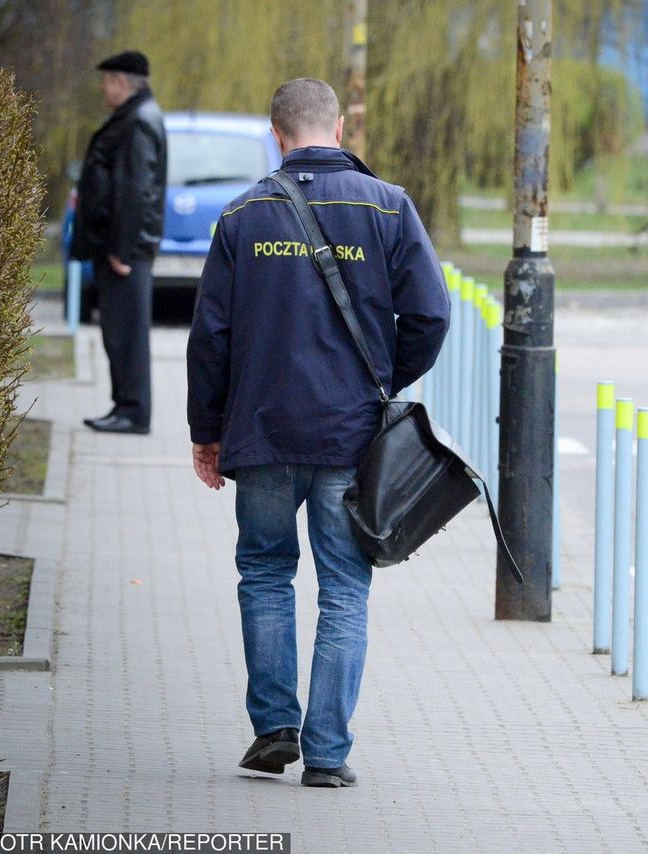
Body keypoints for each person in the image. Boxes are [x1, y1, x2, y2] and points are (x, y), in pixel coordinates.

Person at [186, 78, 450, 788]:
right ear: (337, 126)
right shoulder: (389, 207)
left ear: (277, 134)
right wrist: (386, 381)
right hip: (350, 435)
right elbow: (430, 316)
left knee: (266, 574)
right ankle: (328, 754)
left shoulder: (243, 216)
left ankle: (275, 728)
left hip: (262, 433)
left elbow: (209, 336)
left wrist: (205, 433)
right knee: (344, 591)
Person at [72, 50, 167, 435]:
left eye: (107, 79)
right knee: (118, 331)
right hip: (120, 248)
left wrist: (121, 249)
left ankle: (132, 412)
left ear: (121, 83)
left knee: (126, 332)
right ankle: (123, 406)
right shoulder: (135, 117)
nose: (103, 87)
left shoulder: (137, 122)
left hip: (124, 251)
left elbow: (134, 190)